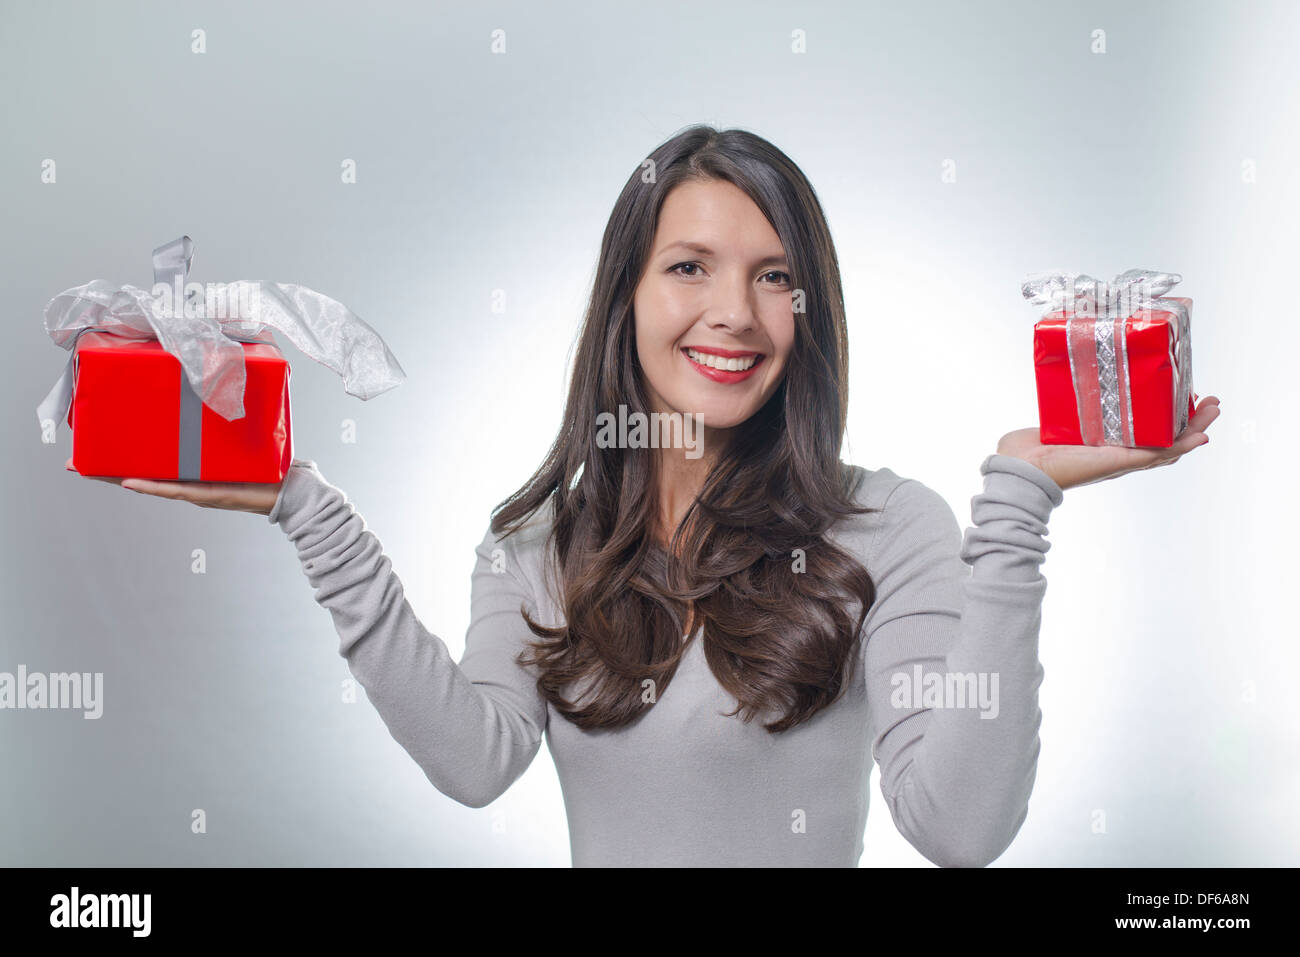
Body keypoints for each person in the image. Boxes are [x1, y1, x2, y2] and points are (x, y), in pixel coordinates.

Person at [72, 125, 1220, 866]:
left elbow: (960, 830)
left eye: (775, 278)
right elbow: (476, 763)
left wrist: (1018, 505)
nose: (734, 312)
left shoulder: (889, 525)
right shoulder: (539, 542)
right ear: (625, 296)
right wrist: (306, 509)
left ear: (805, 314)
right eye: (689, 267)